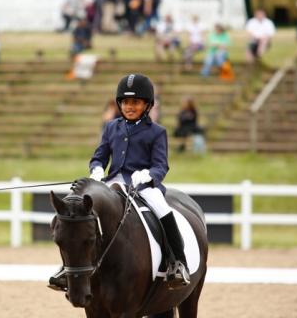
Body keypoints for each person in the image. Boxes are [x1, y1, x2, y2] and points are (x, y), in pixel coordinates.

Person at [48, 74, 191, 291]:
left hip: (144, 186)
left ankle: (177, 263)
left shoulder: (157, 132)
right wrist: (96, 169)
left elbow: (161, 165)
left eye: (135, 102)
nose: (129, 106)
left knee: (163, 210)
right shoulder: (111, 127)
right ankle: (67, 267)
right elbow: (100, 156)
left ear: (147, 104)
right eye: (125, 102)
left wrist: (148, 175)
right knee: (79, 213)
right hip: (112, 182)